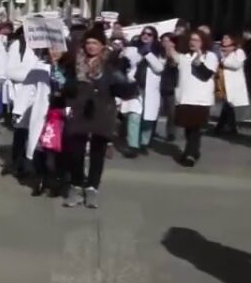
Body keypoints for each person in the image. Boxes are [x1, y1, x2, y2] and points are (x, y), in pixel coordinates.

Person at [61, 26, 136, 209]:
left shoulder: (110, 64)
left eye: (95, 43)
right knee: (75, 152)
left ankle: (92, 188)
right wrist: (69, 84)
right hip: (78, 111)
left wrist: (130, 85)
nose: (91, 46)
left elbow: (120, 88)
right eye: (88, 43)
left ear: (102, 45)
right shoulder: (75, 63)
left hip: (102, 111)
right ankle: (76, 186)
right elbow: (66, 86)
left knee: (97, 152)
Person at [173, 29, 219, 167]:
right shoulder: (184, 56)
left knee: (196, 128)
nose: (193, 42)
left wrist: (198, 62)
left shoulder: (210, 56)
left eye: (197, 40)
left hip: (201, 99)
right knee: (188, 127)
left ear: (203, 42)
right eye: (191, 39)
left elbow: (206, 75)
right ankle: (193, 150)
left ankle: (190, 155)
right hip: (185, 97)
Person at [119, 27, 166, 157]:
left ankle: (144, 142)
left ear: (154, 37)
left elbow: (159, 68)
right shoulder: (133, 49)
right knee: (134, 116)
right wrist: (133, 53)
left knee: (148, 119)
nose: (146, 36)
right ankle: (133, 146)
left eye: (149, 34)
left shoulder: (159, 52)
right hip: (135, 88)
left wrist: (148, 54)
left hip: (150, 90)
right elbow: (128, 64)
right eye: (144, 33)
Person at [28, 47, 69, 197]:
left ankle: (57, 181)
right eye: (51, 49)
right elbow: (30, 88)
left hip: (60, 114)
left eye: (58, 49)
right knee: (40, 147)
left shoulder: (69, 68)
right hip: (44, 113)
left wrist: (64, 84)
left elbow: (75, 90)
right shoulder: (41, 66)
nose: (54, 52)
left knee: (56, 149)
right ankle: (40, 179)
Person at [4, 25, 38, 179]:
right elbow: (10, 71)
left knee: (37, 130)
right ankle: (18, 162)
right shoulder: (17, 45)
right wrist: (33, 75)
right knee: (21, 130)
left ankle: (34, 164)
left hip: (40, 94)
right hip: (21, 94)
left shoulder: (45, 49)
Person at [213, 33, 248, 136]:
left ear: (233, 40)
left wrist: (223, 59)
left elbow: (236, 65)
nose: (224, 39)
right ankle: (227, 127)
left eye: (227, 38)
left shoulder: (239, 51)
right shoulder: (221, 50)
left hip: (234, 84)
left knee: (228, 104)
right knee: (228, 104)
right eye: (223, 37)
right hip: (222, 82)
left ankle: (224, 127)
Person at [158, 33, 180, 143]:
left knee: (172, 113)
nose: (165, 43)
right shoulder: (159, 54)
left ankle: (171, 133)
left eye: (168, 41)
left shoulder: (177, 55)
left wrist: (170, 55)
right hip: (159, 86)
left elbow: (176, 64)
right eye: (163, 41)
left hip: (172, 87)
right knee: (156, 110)